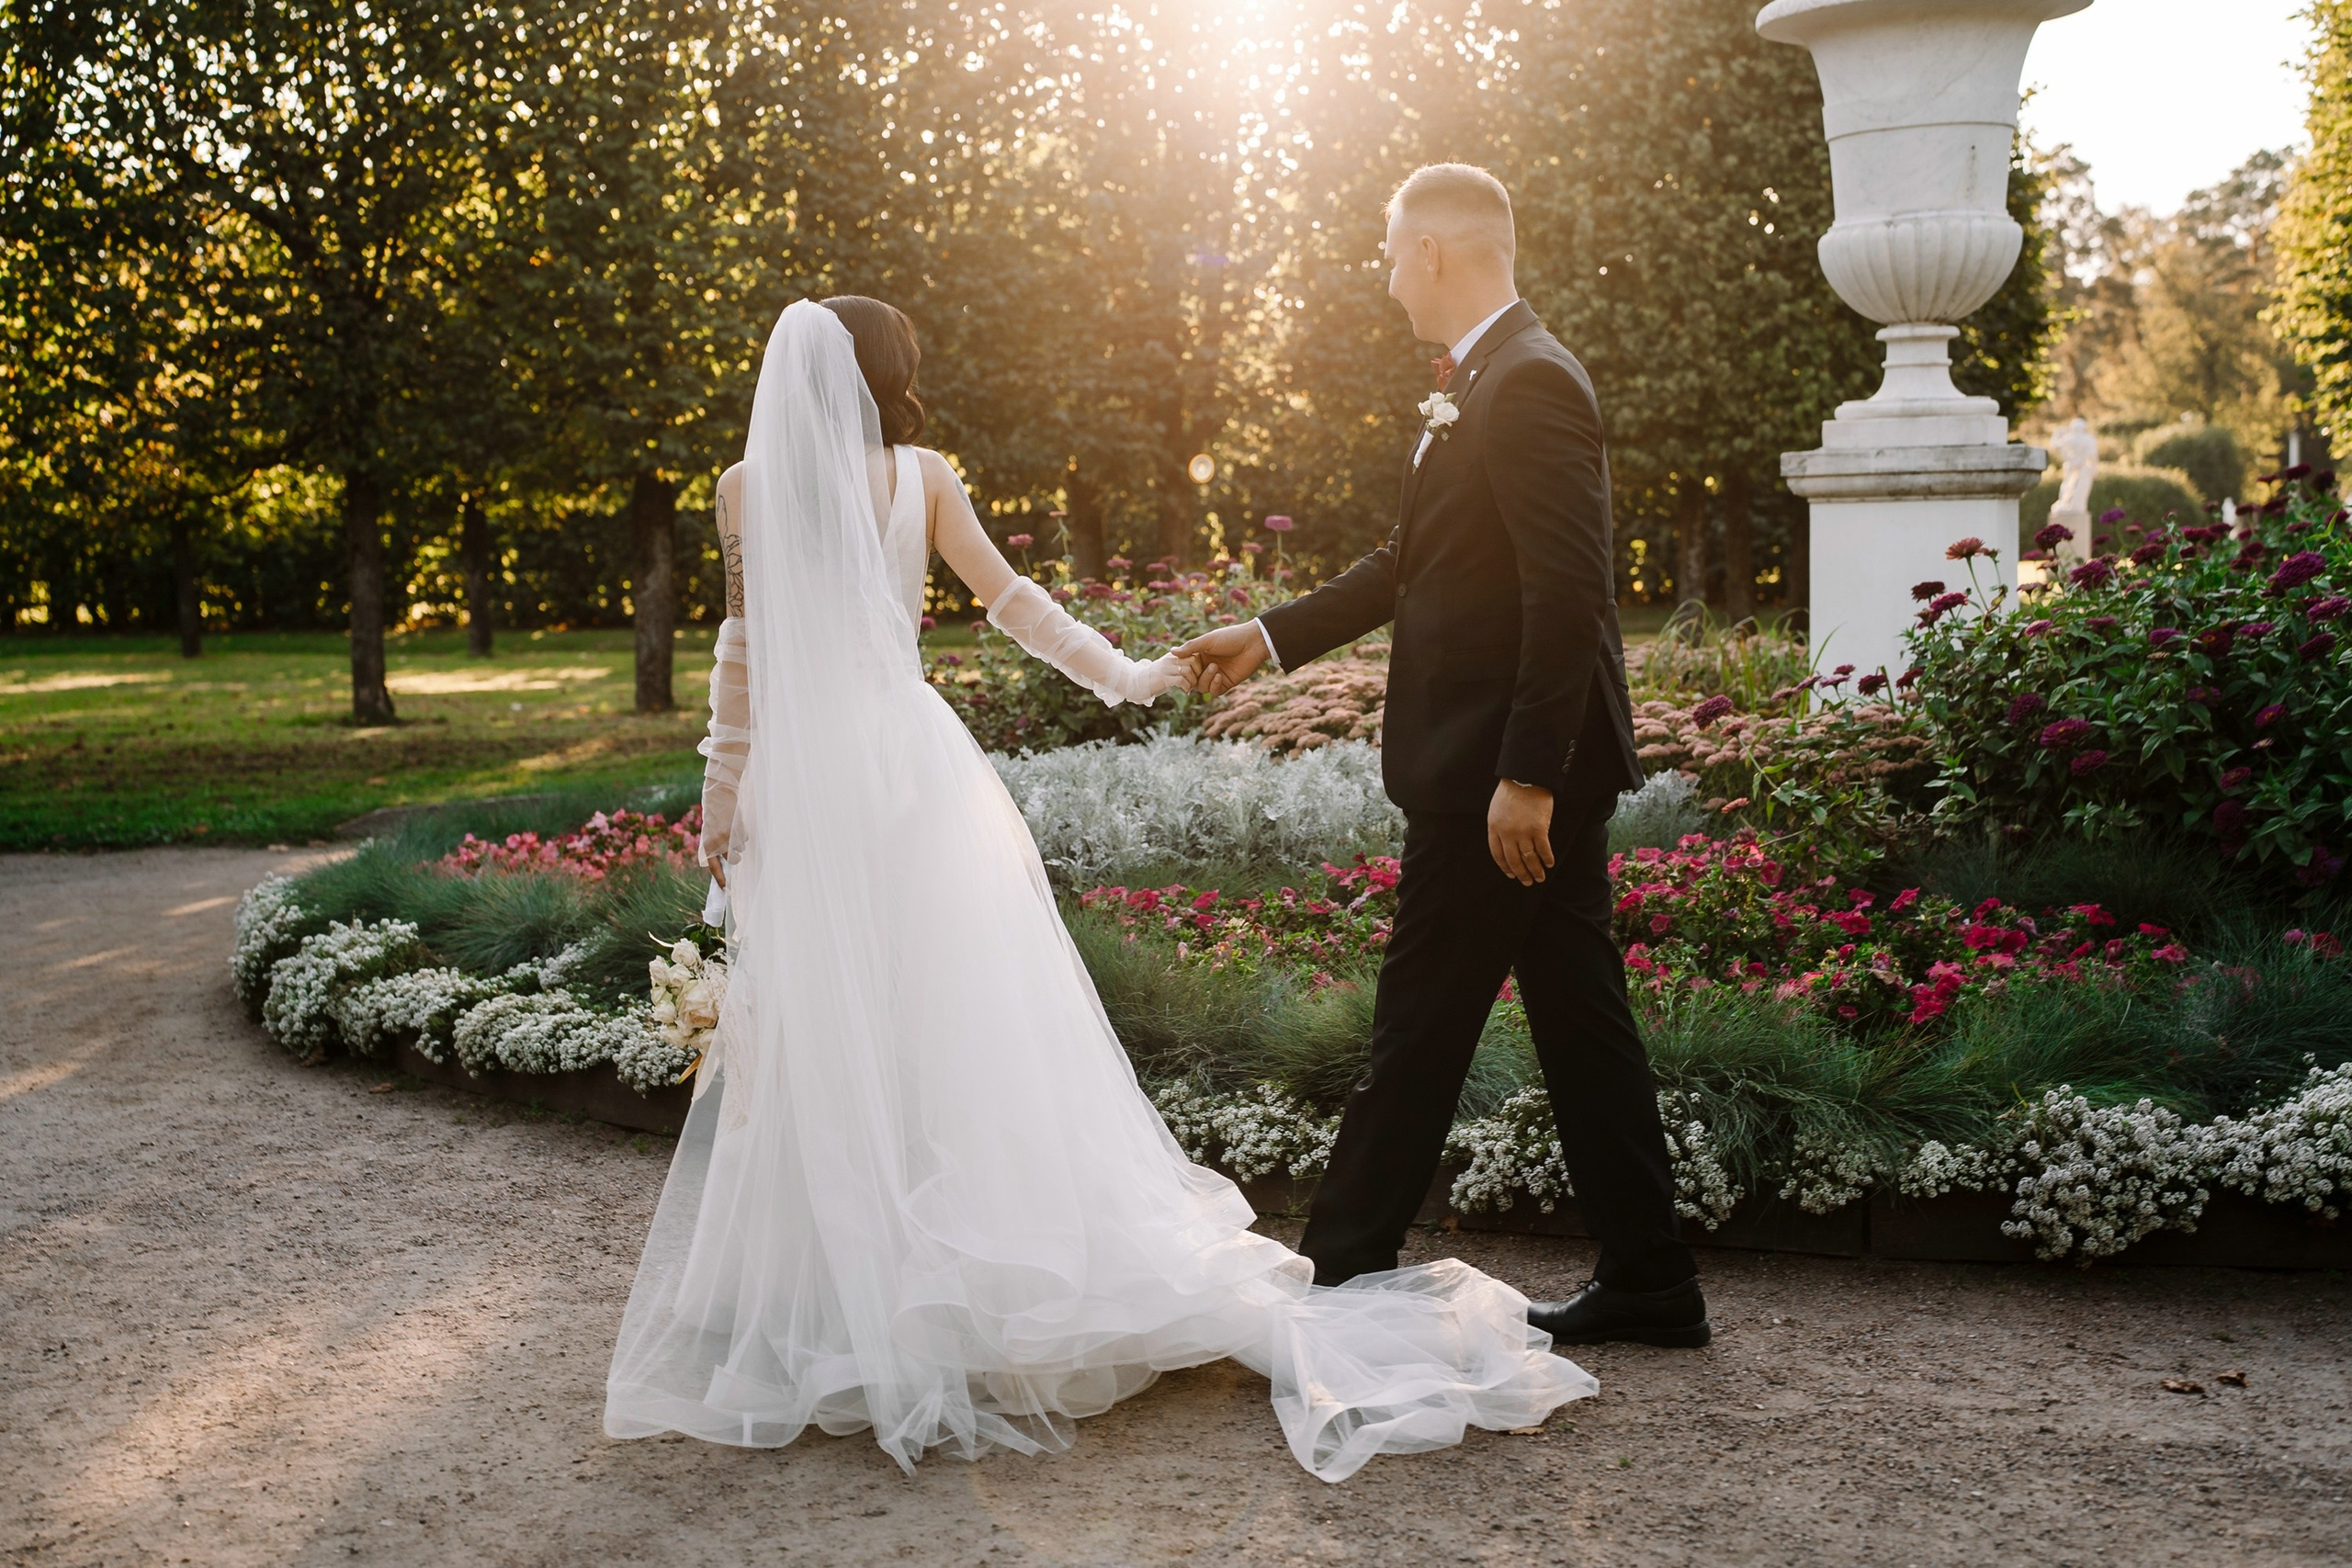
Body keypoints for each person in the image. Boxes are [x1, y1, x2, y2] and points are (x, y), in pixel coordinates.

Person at [602, 293, 1595, 1483]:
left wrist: (724, 791)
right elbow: (1013, 604)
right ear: (886, 375)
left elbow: (741, 651)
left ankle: (836, 1291)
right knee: (940, 1014)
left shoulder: (742, 487)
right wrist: (1126, 675)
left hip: (805, 779)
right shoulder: (921, 478)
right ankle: (914, 1280)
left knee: (835, 1018)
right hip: (905, 768)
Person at [1179, 164, 1710, 1349]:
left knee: (1418, 1028)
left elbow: (1571, 593)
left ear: (1430, 252)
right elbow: (1408, 560)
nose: (1385, 279)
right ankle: (1651, 1279)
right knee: (1580, 1022)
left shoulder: (1528, 381)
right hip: (1503, 768)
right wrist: (1268, 636)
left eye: (1388, 253)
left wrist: (1528, 775)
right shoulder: (1482, 379)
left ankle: (1337, 1274)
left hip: (1498, 778)